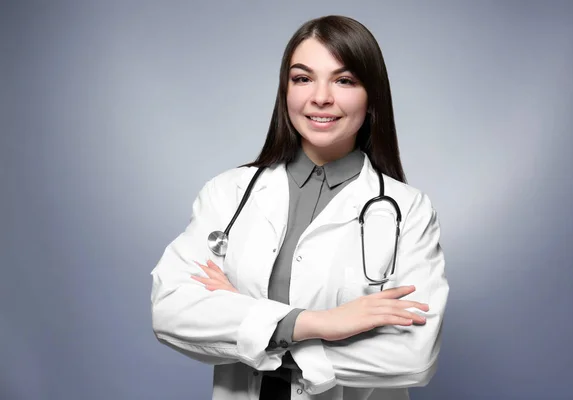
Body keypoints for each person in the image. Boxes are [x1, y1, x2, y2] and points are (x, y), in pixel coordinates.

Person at [150, 15, 449, 400]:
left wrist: (249, 322)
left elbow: (413, 355)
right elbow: (171, 311)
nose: (320, 97)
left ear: (371, 96)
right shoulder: (228, 194)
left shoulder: (409, 211)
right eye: (302, 78)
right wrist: (320, 323)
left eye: (344, 80)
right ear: (285, 91)